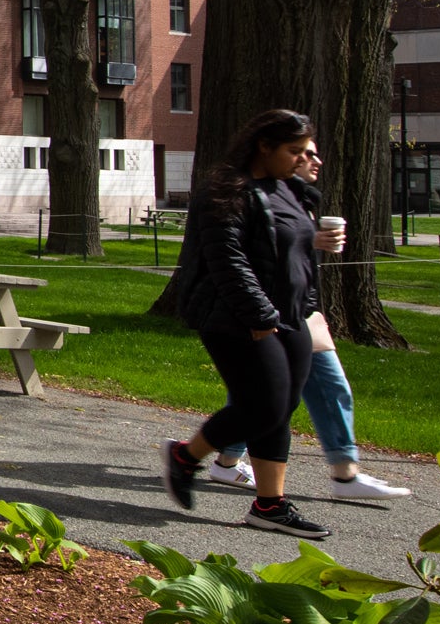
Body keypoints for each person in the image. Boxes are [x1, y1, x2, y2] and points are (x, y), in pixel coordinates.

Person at [160, 109, 337, 539]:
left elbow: (291, 253)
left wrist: (316, 254)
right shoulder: (228, 190)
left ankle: (269, 505)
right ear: (264, 146)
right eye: (292, 150)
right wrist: (259, 317)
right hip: (238, 318)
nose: (300, 159)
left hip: (292, 315)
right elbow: (228, 261)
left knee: (281, 409)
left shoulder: (291, 191)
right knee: (266, 405)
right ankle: (187, 456)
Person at [199, 142, 410, 499]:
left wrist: (313, 299)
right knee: (283, 395)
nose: (314, 160)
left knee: (280, 394)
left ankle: (229, 459)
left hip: (301, 310)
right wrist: (309, 240)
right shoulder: (252, 196)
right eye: (303, 153)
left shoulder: (301, 197)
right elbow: (248, 253)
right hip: (268, 312)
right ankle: (337, 476)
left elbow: (294, 263)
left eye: (312, 153)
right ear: (274, 155)